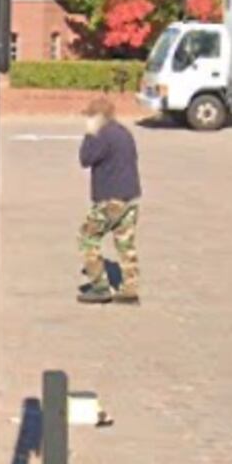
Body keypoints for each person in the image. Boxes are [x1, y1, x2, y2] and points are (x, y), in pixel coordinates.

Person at [76, 94, 142, 305]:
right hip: (130, 197)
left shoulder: (100, 135)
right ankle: (130, 287)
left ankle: (100, 286)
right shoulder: (124, 133)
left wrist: (88, 134)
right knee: (125, 243)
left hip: (109, 198)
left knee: (88, 238)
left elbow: (85, 159)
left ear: (98, 116)